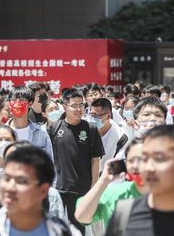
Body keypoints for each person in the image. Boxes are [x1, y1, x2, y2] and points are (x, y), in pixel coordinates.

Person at [0, 145, 81, 236]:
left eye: (21, 181)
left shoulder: (64, 232)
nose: (10, 187)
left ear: (43, 191)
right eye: (6, 178)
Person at [49, 88, 105, 234]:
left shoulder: (91, 129)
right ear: (65, 106)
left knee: (78, 229)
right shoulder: (55, 128)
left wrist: (93, 186)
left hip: (82, 188)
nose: (79, 109)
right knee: (56, 228)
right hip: (58, 188)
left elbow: (95, 159)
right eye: (74, 105)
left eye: (81, 105)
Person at [75, 139, 148, 234]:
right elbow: (82, 216)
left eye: (141, 159)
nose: (135, 165)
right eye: (130, 160)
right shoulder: (114, 193)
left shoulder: (170, 195)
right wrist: (103, 181)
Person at [0, 86, 53, 159]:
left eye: (21, 100)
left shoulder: (41, 132)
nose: (17, 104)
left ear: (30, 104)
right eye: (14, 100)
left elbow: (50, 163)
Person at [88, 98, 128, 171]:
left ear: (108, 116)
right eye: (91, 114)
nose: (92, 119)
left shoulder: (121, 138)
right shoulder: (86, 131)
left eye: (96, 115)